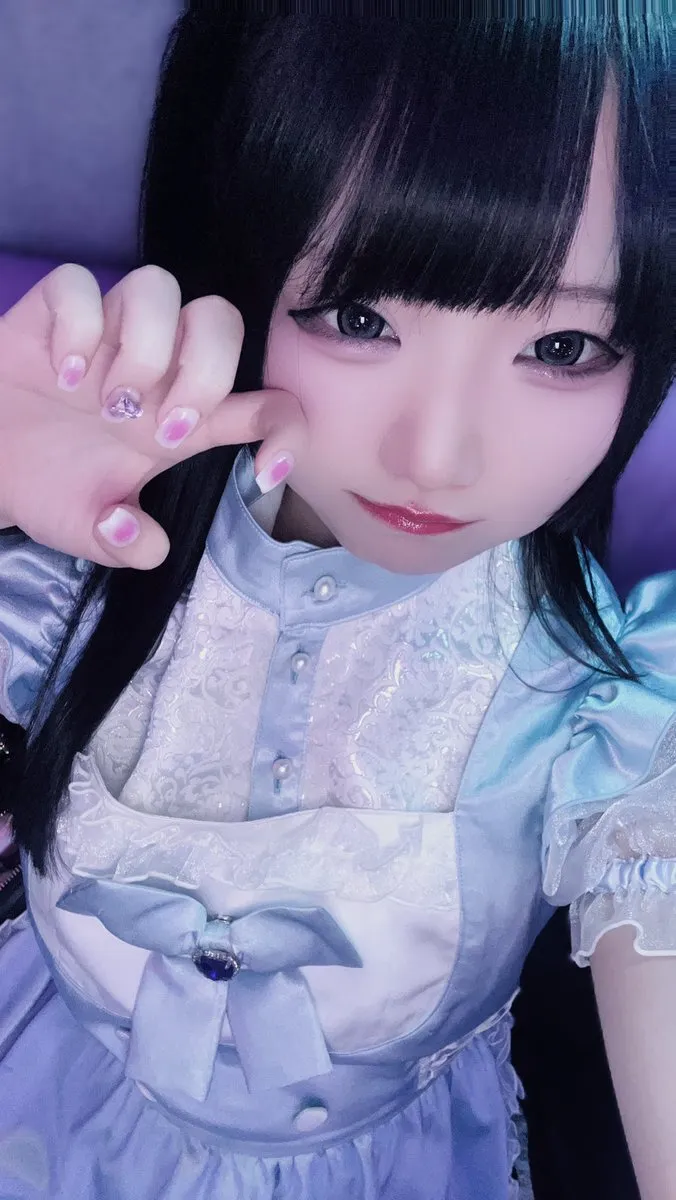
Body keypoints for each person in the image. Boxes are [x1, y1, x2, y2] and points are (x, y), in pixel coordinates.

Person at [0, 10, 673, 1200]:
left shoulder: (606, 707)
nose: (438, 457)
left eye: (566, 347)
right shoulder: (65, 574)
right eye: (361, 317)